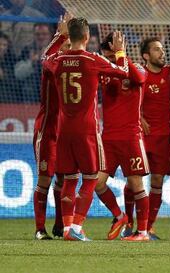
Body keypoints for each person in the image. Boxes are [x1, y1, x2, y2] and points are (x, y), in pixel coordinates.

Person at [43, 17, 129, 241]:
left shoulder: (57, 59)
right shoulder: (93, 59)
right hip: (87, 129)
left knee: (69, 179)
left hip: (64, 129)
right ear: (87, 37)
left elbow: (44, 59)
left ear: (69, 36)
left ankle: (66, 228)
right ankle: (77, 228)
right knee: (91, 178)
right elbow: (123, 72)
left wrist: (58, 37)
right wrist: (120, 52)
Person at [93, 32, 149, 241]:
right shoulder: (104, 71)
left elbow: (138, 78)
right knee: (97, 183)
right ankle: (120, 216)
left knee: (136, 185)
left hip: (130, 137)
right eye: (107, 53)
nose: (106, 57)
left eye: (109, 53)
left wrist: (120, 54)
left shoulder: (138, 68)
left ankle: (142, 232)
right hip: (108, 139)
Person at [33, 13, 72, 240]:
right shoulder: (52, 63)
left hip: (67, 131)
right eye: (65, 46)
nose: (68, 50)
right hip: (47, 130)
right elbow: (45, 56)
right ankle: (40, 228)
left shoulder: (76, 66)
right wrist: (61, 35)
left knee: (64, 179)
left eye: (70, 45)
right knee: (45, 179)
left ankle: (59, 224)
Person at [138, 37, 170, 240]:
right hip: (142, 136)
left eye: (162, 49)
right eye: (157, 50)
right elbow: (129, 100)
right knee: (135, 181)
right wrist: (139, 118)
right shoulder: (140, 74)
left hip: (163, 138)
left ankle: (149, 227)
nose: (162, 53)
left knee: (158, 181)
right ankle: (132, 225)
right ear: (146, 56)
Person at [14, 23, 53, 102]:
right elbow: (17, 74)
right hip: (32, 90)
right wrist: (32, 63)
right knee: (28, 86)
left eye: (44, 34)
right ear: (33, 35)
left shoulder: (58, 49)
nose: (41, 37)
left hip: (52, 86)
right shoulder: (27, 49)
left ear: (50, 35)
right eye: (37, 34)